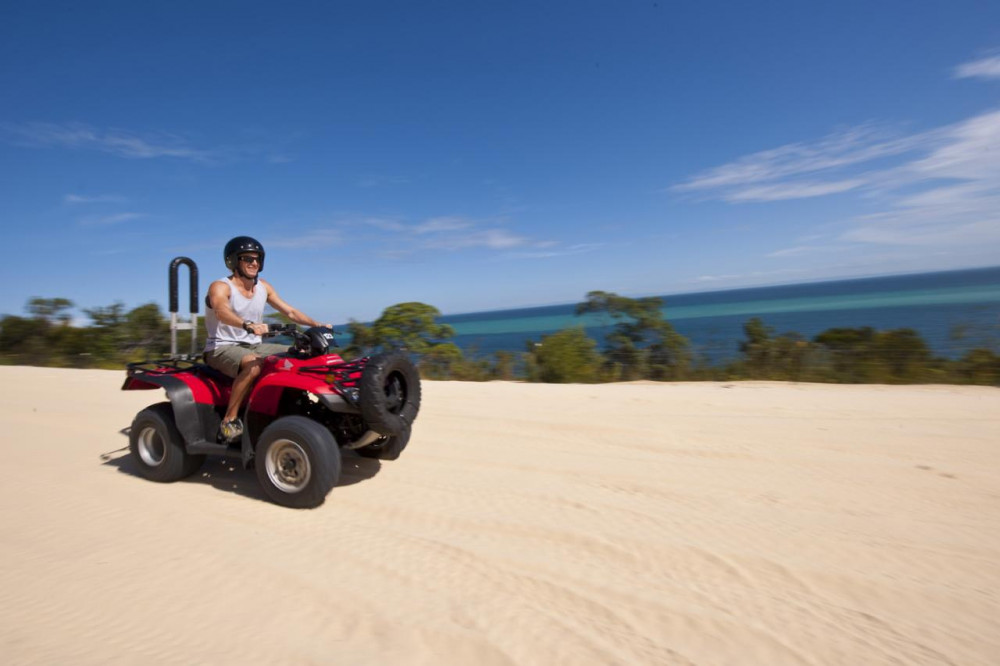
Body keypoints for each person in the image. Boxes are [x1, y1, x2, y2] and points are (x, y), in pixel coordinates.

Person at [203, 236, 329, 441]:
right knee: (253, 366)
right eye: (248, 259)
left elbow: (290, 312)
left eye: (257, 259)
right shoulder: (221, 286)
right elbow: (221, 311)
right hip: (221, 347)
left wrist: (317, 325)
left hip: (254, 346)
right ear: (233, 261)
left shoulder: (263, 287)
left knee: (301, 353)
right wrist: (247, 325)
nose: (254, 263)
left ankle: (298, 406)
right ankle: (229, 421)